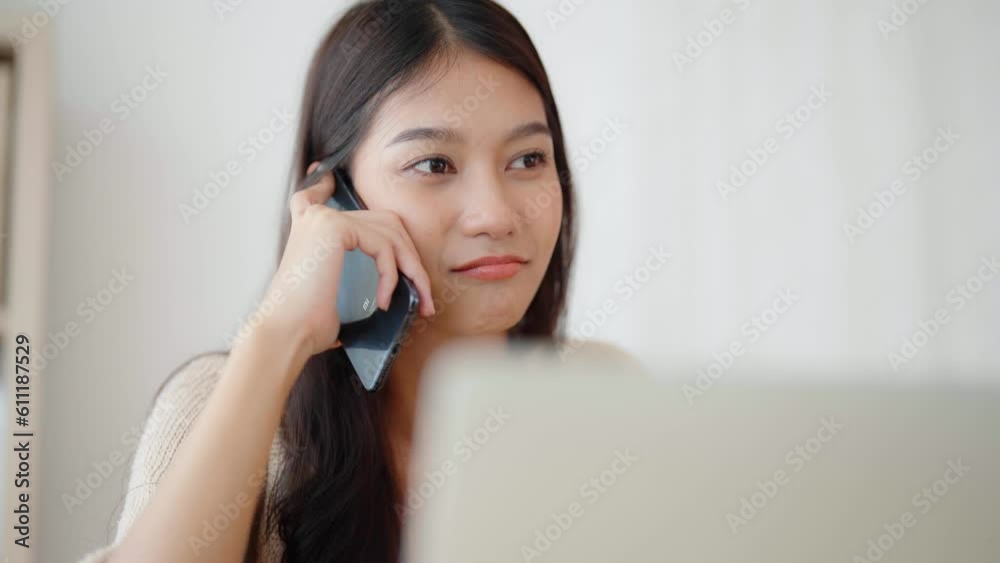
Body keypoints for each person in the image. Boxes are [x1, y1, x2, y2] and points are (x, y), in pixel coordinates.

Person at [78, 1, 633, 561]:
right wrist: (275, 336)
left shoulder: (606, 393)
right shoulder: (221, 405)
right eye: (435, 165)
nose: (494, 215)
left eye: (528, 159)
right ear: (333, 195)